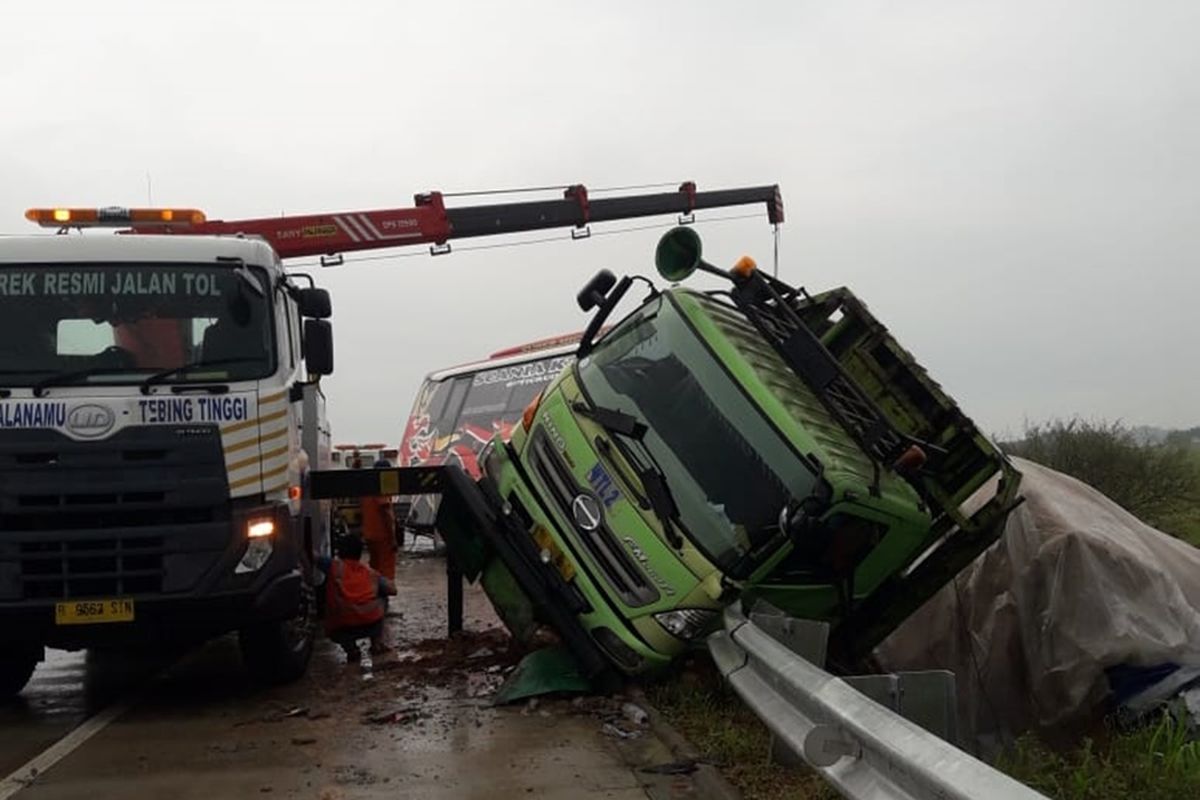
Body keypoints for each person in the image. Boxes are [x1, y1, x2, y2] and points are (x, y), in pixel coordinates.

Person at [318, 534, 396, 662]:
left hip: (341, 628)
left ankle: (351, 649)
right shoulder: (370, 573)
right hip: (371, 625)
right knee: (383, 597)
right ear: (360, 553)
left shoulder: (332, 566)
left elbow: (313, 556)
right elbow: (393, 590)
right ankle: (376, 642)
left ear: (339, 552)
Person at [360, 458, 399, 585]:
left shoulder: (366, 490)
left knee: (374, 569)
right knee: (386, 572)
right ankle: (384, 599)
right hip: (383, 536)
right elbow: (387, 513)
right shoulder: (381, 488)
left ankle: (374, 596)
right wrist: (393, 538)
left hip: (370, 535)